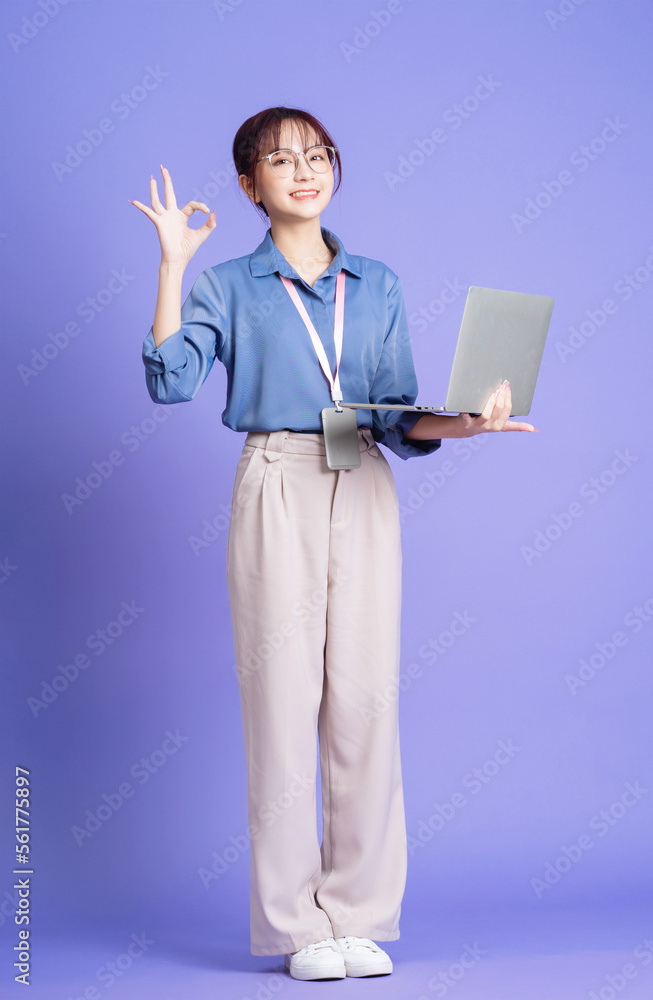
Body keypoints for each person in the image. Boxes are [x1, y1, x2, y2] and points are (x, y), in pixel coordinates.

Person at [130, 106, 537, 981]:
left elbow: (396, 413)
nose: (303, 171)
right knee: (281, 703)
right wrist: (172, 264)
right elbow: (170, 384)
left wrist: (472, 423)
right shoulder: (231, 285)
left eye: (317, 156)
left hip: (362, 478)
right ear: (250, 185)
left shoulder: (377, 283)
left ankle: (355, 912)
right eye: (280, 161)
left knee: (362, 702)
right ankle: (294, 924)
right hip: (277, 477)